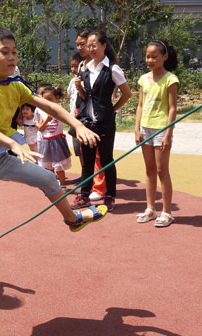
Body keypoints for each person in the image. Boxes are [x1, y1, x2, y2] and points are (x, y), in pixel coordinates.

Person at [0, 27, 107, 275]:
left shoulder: (16, 85)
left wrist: (77, 124)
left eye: (14, 52)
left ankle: (72, 219)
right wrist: (13, 143)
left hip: (2, 158)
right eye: (5, 52)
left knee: (48, 179)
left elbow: (49, 106)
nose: (12, 57)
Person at [72, 31, 132, 212]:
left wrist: (112, 110)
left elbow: (127, 94)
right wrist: (79, 89)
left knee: (106, 160)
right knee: (87, 161)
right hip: (86, 122)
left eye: (94, 45)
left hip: (104, 122)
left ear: (104, 45)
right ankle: (84, 195)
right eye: (88, 46)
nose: (90, 49)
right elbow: (86, 97)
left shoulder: (112, 69)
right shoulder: (85, 67)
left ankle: (110, 196)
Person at [134, 40, 180, 228]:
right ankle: (150, 208)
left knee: (162, 171)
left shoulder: (170, 79)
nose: (150, 60)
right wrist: (137, 129)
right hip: (145, 128)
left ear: (164, 57)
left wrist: (168, 133)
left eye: (154, 56)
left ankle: (167, 211)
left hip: (162, 129)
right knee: (149, 170)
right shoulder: (143, 79)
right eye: (147, 56)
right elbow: (140, 106)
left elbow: (172, 108)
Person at [75, 28, 105, 199]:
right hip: (83, 111)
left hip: (97, 115)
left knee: (99, 153)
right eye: (78, 44)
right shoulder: (82, 65)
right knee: (85, 153)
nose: (80, 47)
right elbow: (85, 95)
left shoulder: (102, 67)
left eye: (83, 44)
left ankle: (99, 187)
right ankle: (89, 184)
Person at [36, 84, 71, 189]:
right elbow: (40, 128)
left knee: (59, 165)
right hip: (45, 141)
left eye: (50, 99)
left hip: (57, 141)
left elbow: (68, 119)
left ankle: (63, 185)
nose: (47, 101)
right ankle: (53, 184)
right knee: (48, 165)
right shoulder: (39, 110)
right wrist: (47, 120)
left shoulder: (59, 109)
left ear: (57, 98)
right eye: (44, 99)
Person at [67, 53, 85, 176]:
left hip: (81, 119)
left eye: (76, 66)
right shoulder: (72, 80)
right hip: (72, 118)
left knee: (84, 149)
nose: (73, 69)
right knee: (77, 149)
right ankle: (84, 174)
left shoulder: (85, 80)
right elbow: (69, 94)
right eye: (72, 66)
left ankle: (88, 174)